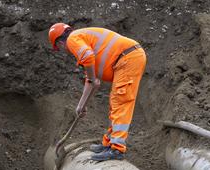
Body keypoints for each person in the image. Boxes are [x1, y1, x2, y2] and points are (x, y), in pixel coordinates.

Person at [48, 23, 146, 161]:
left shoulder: (72, 40)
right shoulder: (82, 39)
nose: (63, 51)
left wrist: (93, 79)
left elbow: (87, 57)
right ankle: (108, 143)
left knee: (120, 101)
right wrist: (81, 106)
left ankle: (117, 148)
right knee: (115, 102)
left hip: (128, 58)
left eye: (59, 48)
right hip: (127, 58)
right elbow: (90, 80)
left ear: (60, 42)